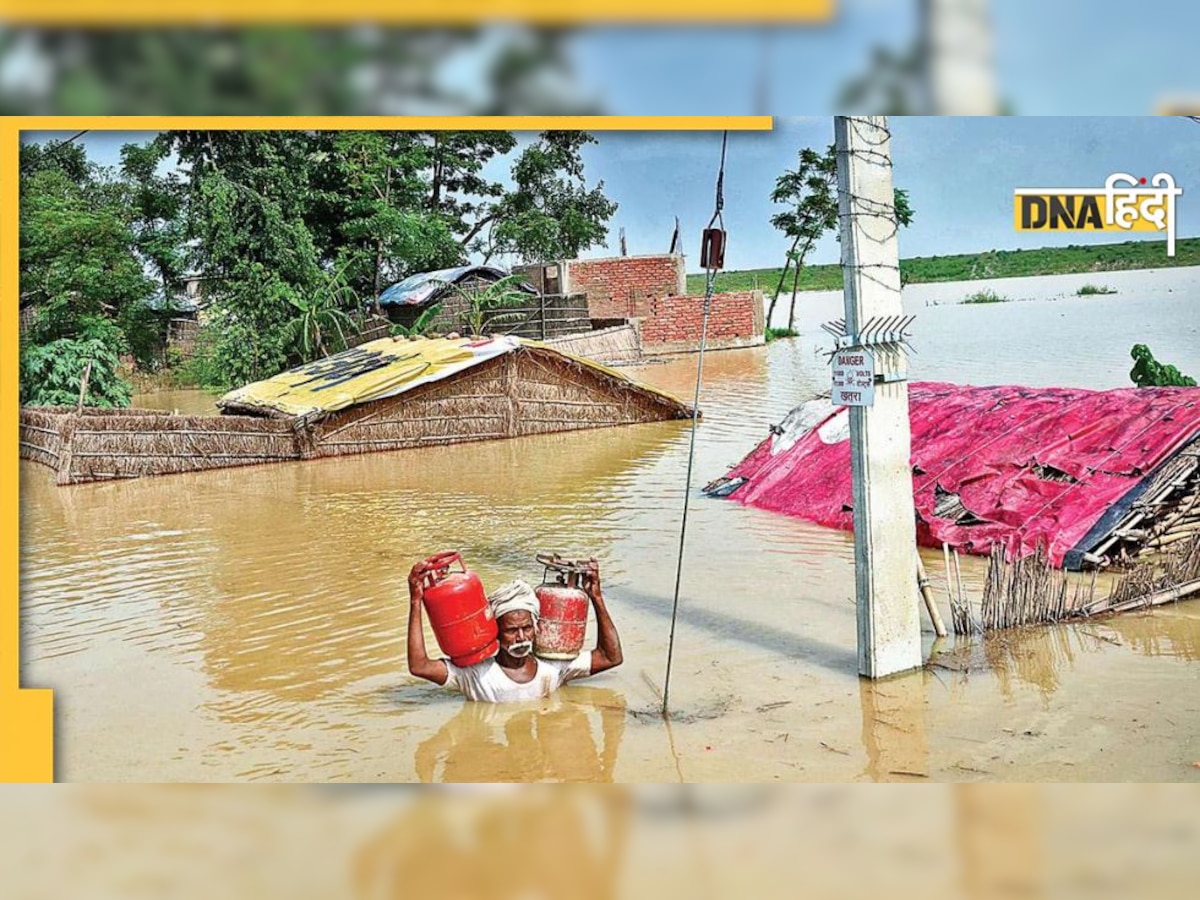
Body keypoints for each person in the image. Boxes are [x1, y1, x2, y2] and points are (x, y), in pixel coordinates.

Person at [406, 559, 622, 703]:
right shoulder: (475, 674)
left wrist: (596, 597)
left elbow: (611, 657)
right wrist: (416, 601)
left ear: (536, 628)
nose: (521, 638)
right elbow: (420, 666)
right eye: (511, 630)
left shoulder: (554, 667)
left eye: (527, 628)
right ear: (495, 631)